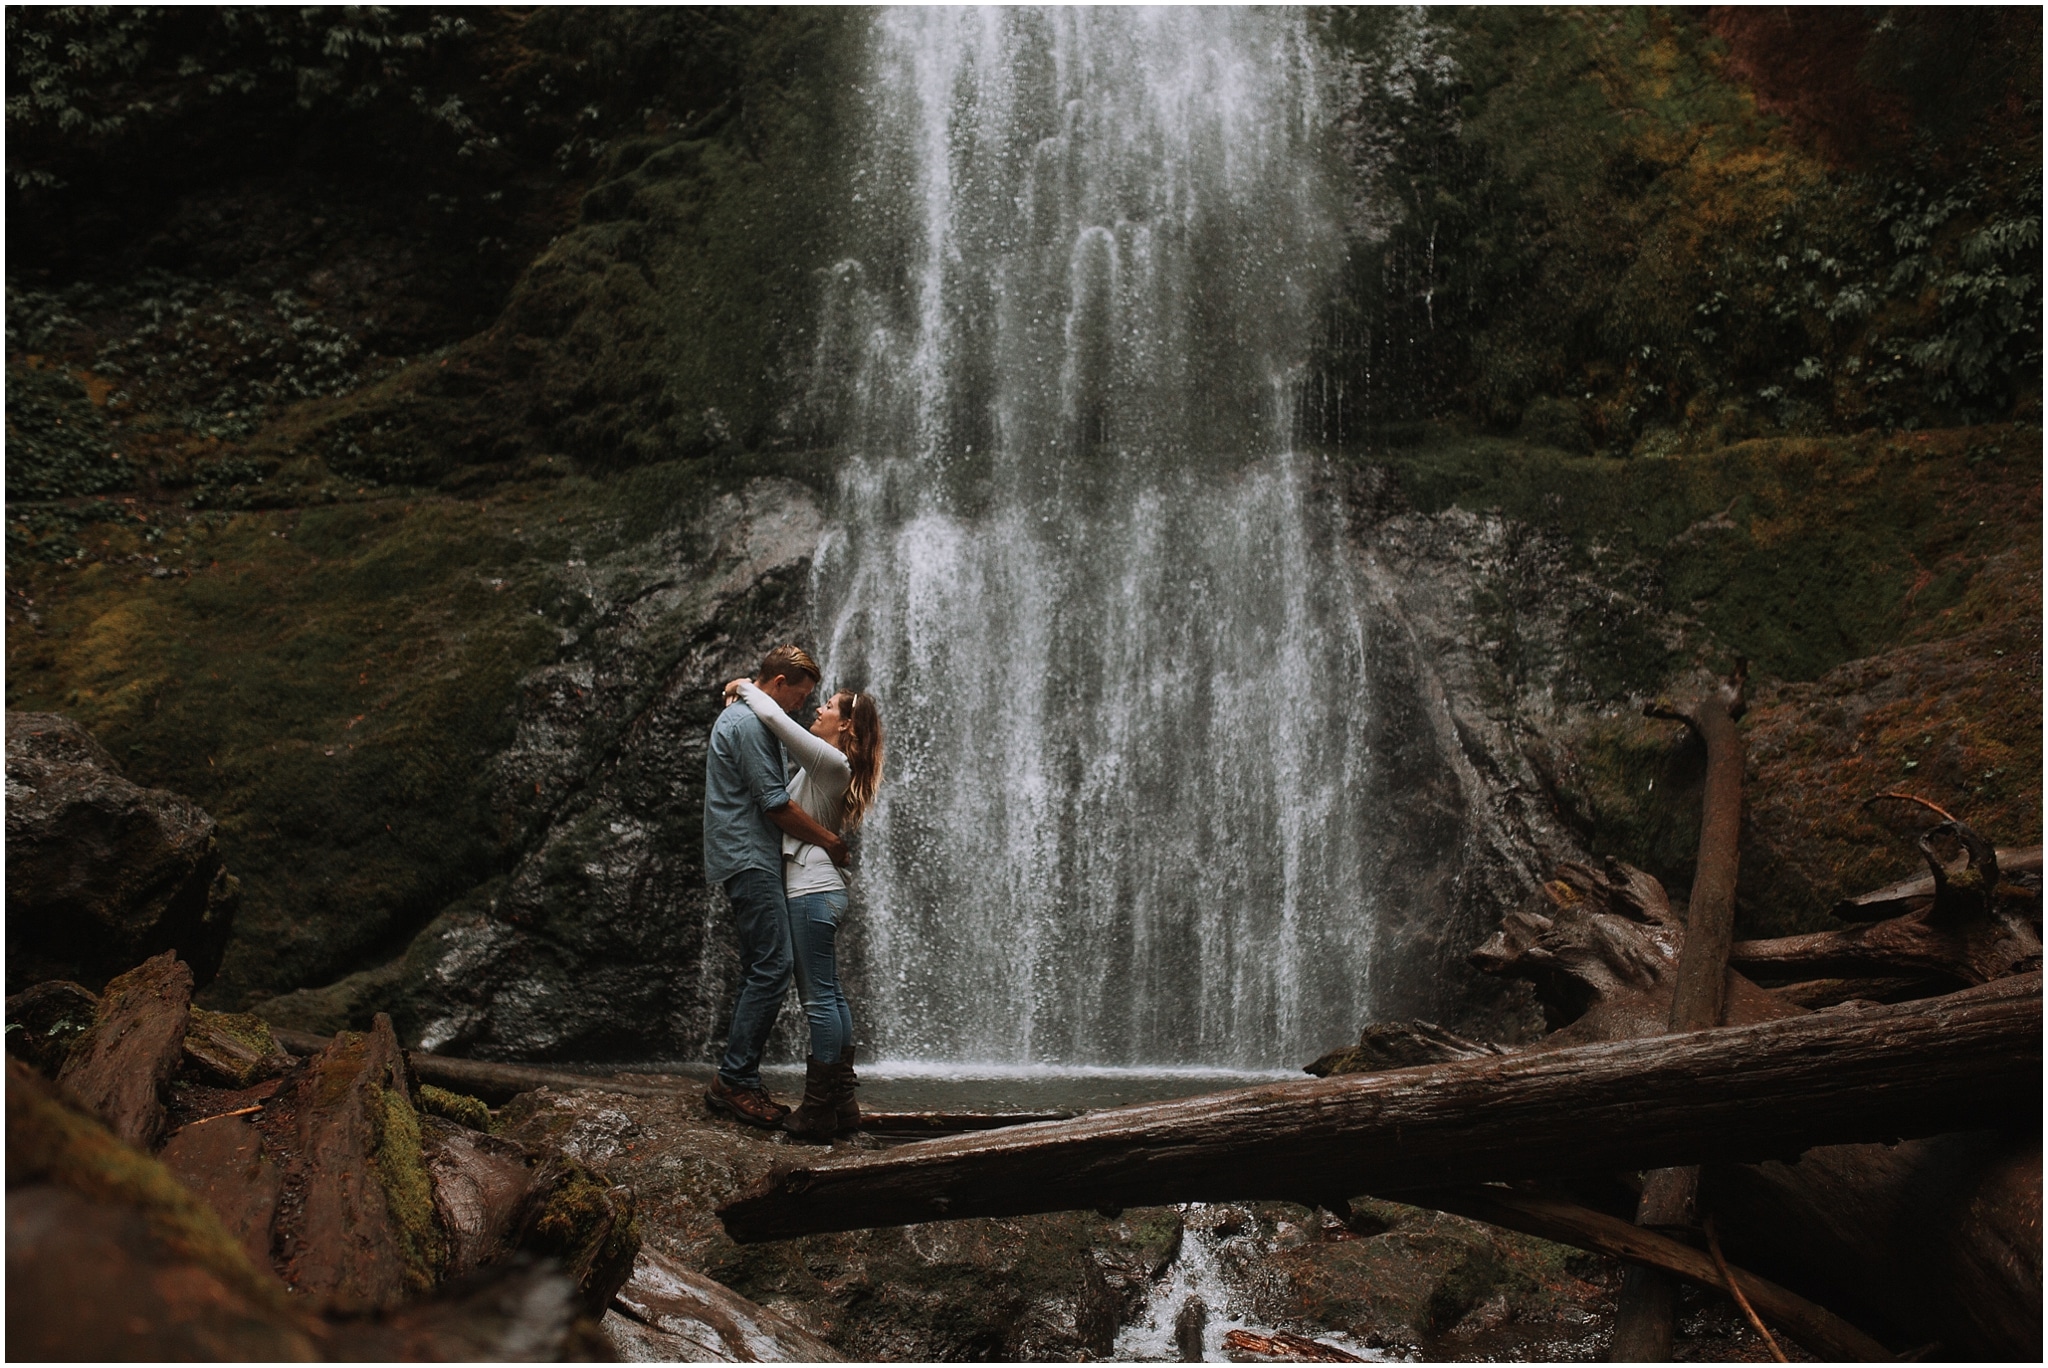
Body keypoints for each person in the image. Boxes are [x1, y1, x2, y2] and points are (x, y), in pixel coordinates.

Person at [725, 674, 885, 1141]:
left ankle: (818, 1111)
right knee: (830, 994)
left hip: (811, 890)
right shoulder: (830, 767)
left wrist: (745, 686)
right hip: (821, 888)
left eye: (830, 706)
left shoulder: (831, 760)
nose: (818, 709)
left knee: (818, 1000)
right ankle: (842, 1103)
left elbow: (775, 719)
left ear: (848, 725)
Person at [701, 644, 848, 1128]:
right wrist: (830, 840)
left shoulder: (747, 718)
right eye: (801, 698)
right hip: (750, 855)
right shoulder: (747, 725)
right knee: (774, 965)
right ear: (780, 684)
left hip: (749, 854)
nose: (802, 709)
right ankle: (735, 1081)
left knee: (763, 965)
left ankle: (739, 1077)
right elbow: (775, 803)